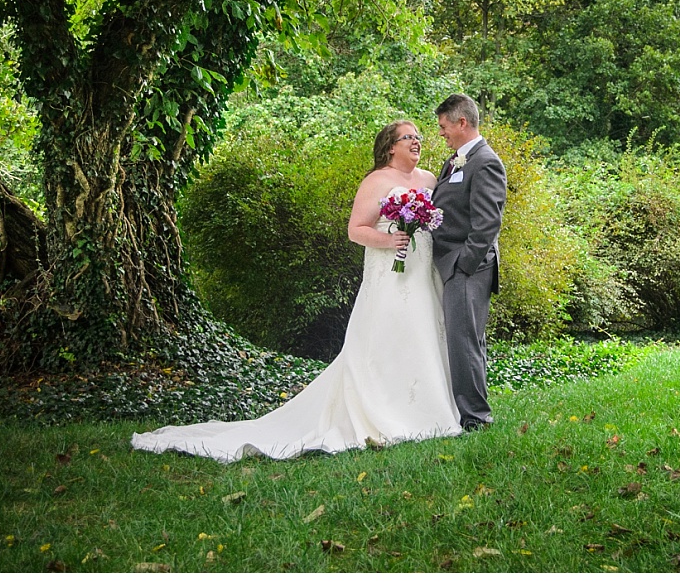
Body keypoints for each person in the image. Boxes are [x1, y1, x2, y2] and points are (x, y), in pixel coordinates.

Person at [131, 121, 462, 462]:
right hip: (389, 277)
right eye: (409, 137)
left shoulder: (428, 180)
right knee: (386, 340)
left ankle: (429, 413)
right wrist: (390, 240)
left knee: (423, 335)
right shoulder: (375, 180)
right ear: (391, 146)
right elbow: (356, 230)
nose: (417, 142)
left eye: (419, 137)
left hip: (422, 272)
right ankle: (383, 413)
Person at [430, 93, 507, 431]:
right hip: (457, 263)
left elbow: (488, 223)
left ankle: (476, 418)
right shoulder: (456, 160)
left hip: (469, 266)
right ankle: (473, 412)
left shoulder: (484, 161)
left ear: (462, 123)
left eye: (444, 127)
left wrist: (464, 264)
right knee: (466, 340)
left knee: (464, 341)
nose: (442, 133)